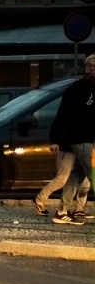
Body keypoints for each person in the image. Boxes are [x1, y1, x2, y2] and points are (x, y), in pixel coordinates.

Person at [46, 54, 95, 225]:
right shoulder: (77, 88)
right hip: (80, 138)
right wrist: (55, 138)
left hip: (90, 139)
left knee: (77, 175)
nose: (92, 69)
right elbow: (62, 115)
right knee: (93, 173)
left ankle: (62, 211)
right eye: (89, 66)